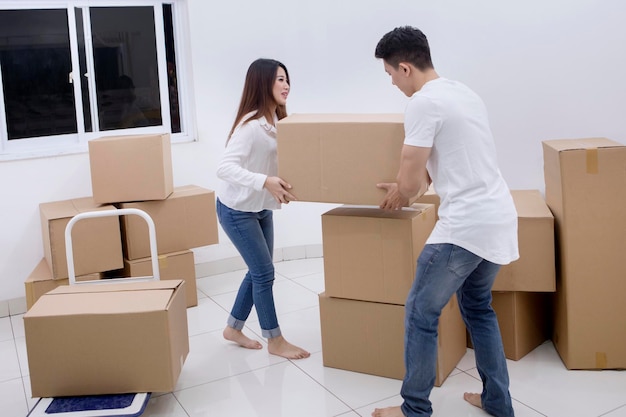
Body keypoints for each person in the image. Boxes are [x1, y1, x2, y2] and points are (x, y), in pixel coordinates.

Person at [372, 26, 519, 417]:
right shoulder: (463, 93)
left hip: (465, 227)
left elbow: (411, 179)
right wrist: (410, 187)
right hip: (499, 218)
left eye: (389, 74)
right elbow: (442, 167)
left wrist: (402, 190)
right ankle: (497, 402)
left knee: (421, 311)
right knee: (478, 307)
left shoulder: (422, 103)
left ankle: (413, 410)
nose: (392, 83)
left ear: (405, 68)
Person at [215, 58, 310, 360]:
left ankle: (233, 328)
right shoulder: (251, 126)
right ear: (262, 83)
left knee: (259, 271)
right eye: (279, 79)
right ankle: (275, 340)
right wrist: (264, 181)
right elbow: (224, 167)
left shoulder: (276, 124)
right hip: (236, 209)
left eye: (287, 79)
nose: (286, 85)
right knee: (264, 273)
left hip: (260, 208)